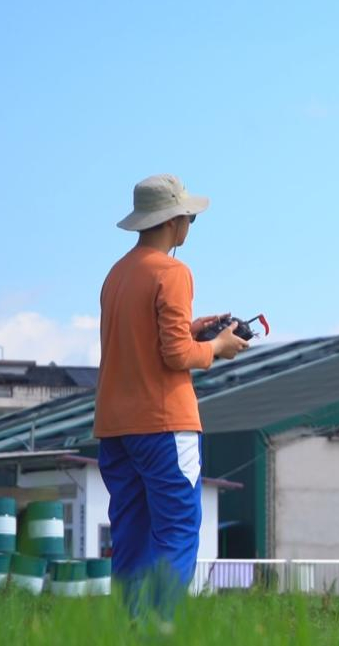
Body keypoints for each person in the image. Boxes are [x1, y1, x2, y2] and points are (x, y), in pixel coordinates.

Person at [95, 174, 248, 622]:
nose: (189, 227)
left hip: (115, 427)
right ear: (174, 222)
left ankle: (129, 624)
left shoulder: (116, 274)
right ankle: (159, 625)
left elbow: (142, 340)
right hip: (164, 423)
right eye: (190, 219)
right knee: (178, 529)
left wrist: (194, 327)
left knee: (131, 532)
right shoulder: (173, 272)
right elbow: (177, 354)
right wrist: (218, 347)